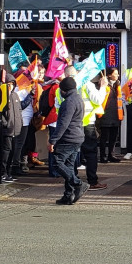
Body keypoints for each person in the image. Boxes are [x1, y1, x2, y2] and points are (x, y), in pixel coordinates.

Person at [49, 77, 87, 205]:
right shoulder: (78, 99)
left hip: (68, 138)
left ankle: (78, 183)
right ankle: (68, 195)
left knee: (57, 163)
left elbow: (63, 124)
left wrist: (53, 140)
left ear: (63, 90)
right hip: (77, 137)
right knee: (69, 166)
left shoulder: (68, 102)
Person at [81, 70, 110, 191]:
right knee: (91, 152)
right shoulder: (87, 84)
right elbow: (97, 100)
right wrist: (103, 87)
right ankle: (92, 181)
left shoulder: (70, 84)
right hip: (87, 122)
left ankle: (72, 181)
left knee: (73, 153)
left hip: (72, 124)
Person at [97, 67, 123, 163]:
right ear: (109, 75)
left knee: (113, 137)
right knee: (104, 137)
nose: (117, 75)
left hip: (116, 114)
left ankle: (111, 155)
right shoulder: (103, 84)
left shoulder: (118, 84)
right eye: (115, 74)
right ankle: (103, 156)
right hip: (105, 114)